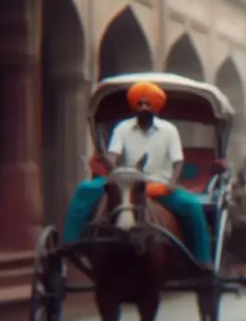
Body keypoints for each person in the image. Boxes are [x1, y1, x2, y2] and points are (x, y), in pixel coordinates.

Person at [63, 81, 214, 269]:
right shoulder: (122, 128)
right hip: (125, 181)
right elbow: (113, 154)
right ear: (135, 105)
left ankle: (202, 259)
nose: (144, 107)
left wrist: (172, 183)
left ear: (156, 107)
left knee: (192, 206)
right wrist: (111, 166)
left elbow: (178, 161)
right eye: (140, 103)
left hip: (157, 184)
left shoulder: (169, 130)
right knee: (84, 189)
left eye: (148, 103)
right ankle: (70, 243)